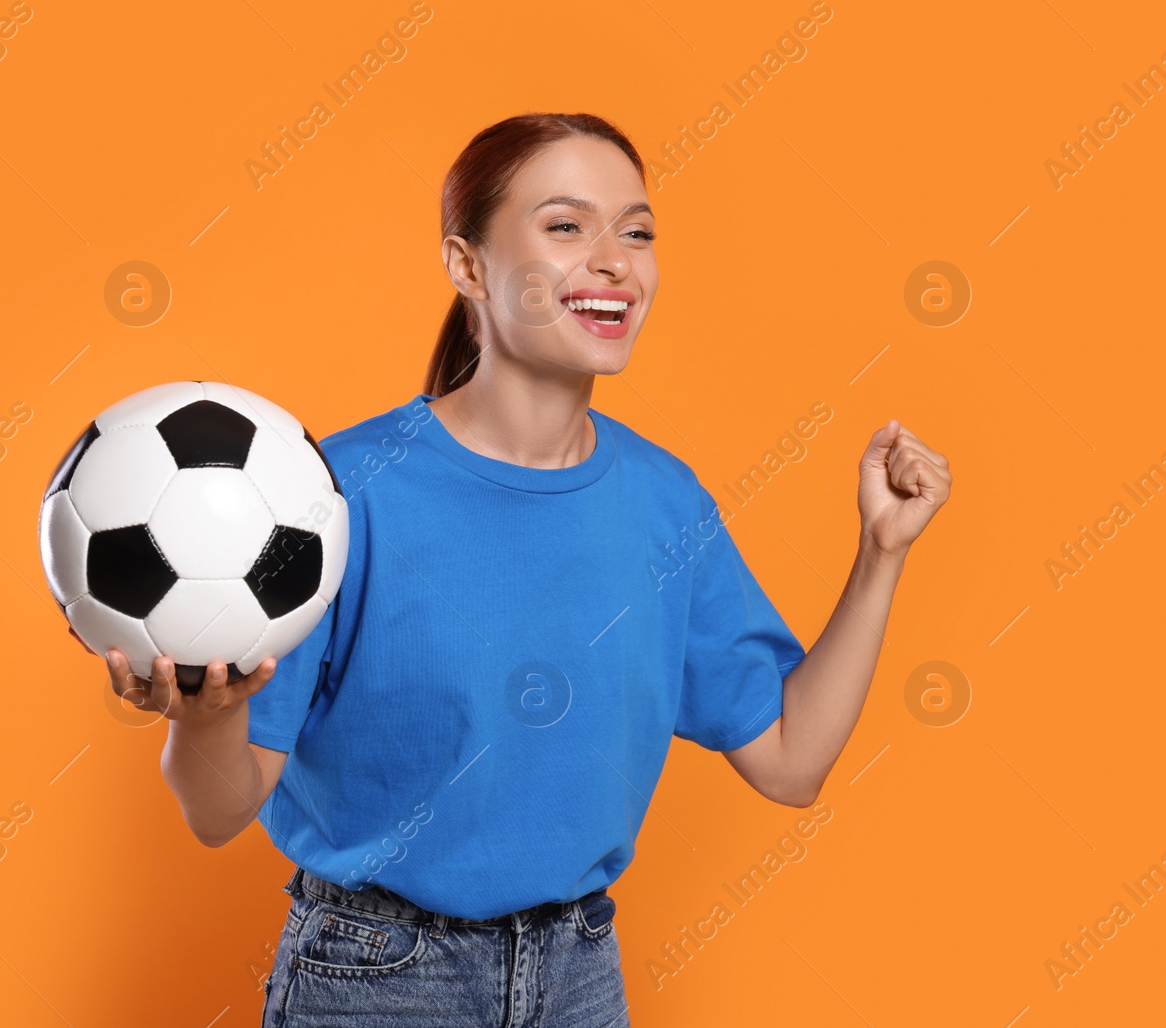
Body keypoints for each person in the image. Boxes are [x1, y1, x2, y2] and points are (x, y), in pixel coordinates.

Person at [88, 112, 952, 1026]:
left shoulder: (666, 501)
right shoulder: (333, 497)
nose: (616, 260)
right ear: (467, 265)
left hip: (581, 976)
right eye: (567, 225)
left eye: (639, 230)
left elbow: (791, 759)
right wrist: (210, 718)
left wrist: (881, 553)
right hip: (378, 983)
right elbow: (217, 813)